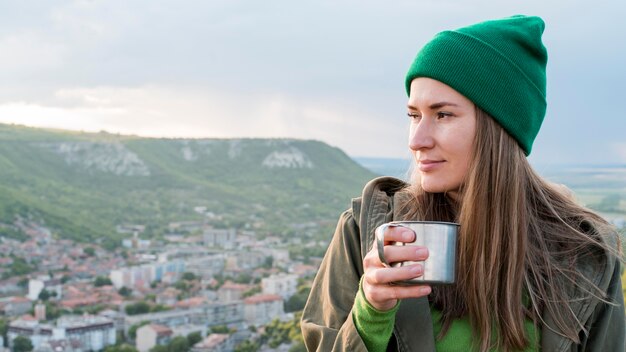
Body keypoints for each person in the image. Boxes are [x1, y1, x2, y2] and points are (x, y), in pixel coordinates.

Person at [300, 15, 625, 352]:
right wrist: (371, 313)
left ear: (499, 128)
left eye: (443, 114)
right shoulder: (366, 233)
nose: (417, 140)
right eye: (414, 115)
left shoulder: (585, 255)